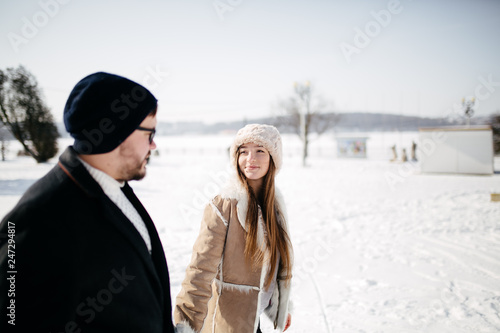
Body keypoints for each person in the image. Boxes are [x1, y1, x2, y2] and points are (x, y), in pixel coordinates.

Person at [0, 72, 175, 332]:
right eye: (149, 133)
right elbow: (12, 319)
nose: (153, 145)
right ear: (118, 132)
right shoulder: (36, 218)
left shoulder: (115, 187)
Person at [174, 124, 293, 333]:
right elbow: (199, 271)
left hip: (252, 320)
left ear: (273, 158)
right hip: (226, 324)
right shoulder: (224, 206)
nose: (250, 159)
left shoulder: (274, 206)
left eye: (259, 151)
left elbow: (274, 265)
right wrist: (184, 324)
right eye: (243, 151)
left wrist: (279, 306)